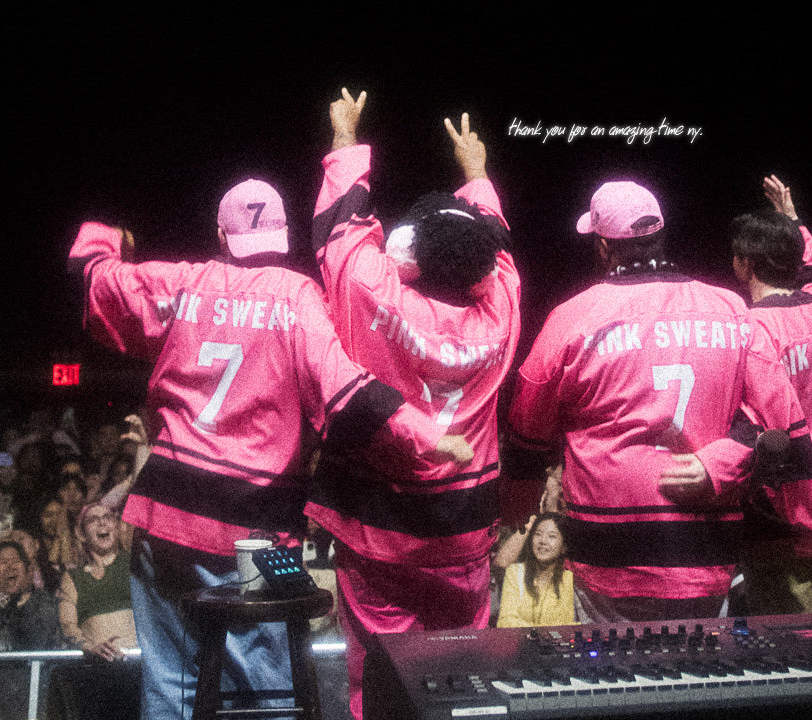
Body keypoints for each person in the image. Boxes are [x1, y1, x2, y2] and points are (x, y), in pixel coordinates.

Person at [69, 174, 466, 720]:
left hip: (165, 513)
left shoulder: (183, 282)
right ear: (282, 235)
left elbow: (96, 280)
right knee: (263, 694)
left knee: (172, 688)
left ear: (220, 234)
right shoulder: (299, 296)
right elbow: (344, 389)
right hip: (254, 527)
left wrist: (105, 237)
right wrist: (426, 433)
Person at [304, 88, 520, 720]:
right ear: (483, 268)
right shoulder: (502, 310)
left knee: (375, 670)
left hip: (378, 525)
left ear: (409, 253)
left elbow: (339, 232)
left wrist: (346, 139)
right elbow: (499, 249)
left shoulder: (376, 291)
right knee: (461, 668)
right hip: (463, 526)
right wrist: (478, 175)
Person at [510, 180, 812, 622]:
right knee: (698, 678)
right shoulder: (730, 307)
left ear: (603, 247)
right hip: (704, 546)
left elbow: (528, 431)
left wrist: (514, 507)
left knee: (612, 680)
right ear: (660, 235)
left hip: (606, 548)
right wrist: (724, 460)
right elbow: (781, 418)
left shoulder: (572, 317)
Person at [730, 175, 812, 614]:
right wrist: (792, 220)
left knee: (786, 642)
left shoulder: (752, 330)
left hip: (787, 500)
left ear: (744, 264)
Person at [47, 503, 139, 720]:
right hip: (96, 677)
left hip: (138, 669)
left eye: (107, 516)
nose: (102, 522)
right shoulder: (73, 577)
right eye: (93, 519)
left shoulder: (134, 563)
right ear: (81, 533)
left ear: (116, 526)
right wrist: (88, 647)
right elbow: (68, 625)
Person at [0, 540, 62, 651]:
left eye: (15, 560)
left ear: (27, 570)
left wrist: (19, 605)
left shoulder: (41, 601)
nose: (10, 567)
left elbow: (38, 642)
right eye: (3, 562)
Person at [496, 513, 576, 628]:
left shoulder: (568, 578)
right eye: (538, 534)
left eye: (552, 536)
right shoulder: (515, 572)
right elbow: (505, 622)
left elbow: (566, 626)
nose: (542, 541)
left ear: (563, 547)